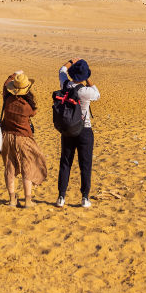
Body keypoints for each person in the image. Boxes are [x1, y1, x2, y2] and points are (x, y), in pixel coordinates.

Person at [0, 71, 47, 208]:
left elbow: (4, 86)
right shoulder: (27, 107)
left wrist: (13, 75)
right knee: (28, 167)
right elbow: (34, 112)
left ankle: (12, 200)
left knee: (10, 167)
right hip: (24, 138)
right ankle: (28, 200)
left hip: (7, 136)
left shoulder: (7, 100)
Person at [57, 58, 100, 208]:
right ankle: (84, 197)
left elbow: (61, 70)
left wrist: (70, 61)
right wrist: (87, 77)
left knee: (65, 163)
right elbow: (97, 93)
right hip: (84, 130)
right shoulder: (85, 91)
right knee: (85, 165)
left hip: (68, 130)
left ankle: (61, 197)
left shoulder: (65, 85)